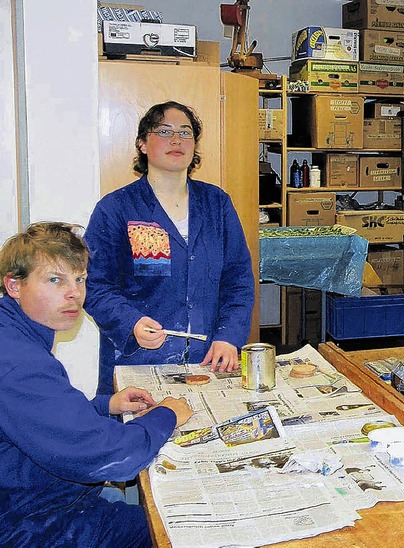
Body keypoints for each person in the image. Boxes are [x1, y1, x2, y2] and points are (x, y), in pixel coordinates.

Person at [0, 222, 194, 547]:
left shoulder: (14, 335)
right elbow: (104, 456)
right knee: (186, 533)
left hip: (38, 501)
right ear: (14, 285)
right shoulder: (20, 363)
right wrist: (167, 416)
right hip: (37, 525)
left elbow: (39, 422)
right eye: (54, 280)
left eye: (80, 279)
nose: (74, 293)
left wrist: (105, 406)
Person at [84, 101, 255, 394]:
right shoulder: (116, 208)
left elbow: (238, 280)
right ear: (142, 144)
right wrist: (132, 323)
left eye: (186, 133)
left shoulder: (217, 204)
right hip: (139, 362)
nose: (177, 140)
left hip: (208, 360)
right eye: (164, 131)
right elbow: (95, 284)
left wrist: (228, 336)